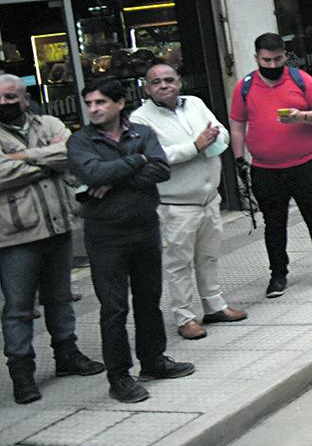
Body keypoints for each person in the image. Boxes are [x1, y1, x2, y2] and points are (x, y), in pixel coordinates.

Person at [68, 78, 194, 404]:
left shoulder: (142, 133)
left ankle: (153, 361)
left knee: (149, 299)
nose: (94, 109)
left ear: (119, 103)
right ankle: (120, 376)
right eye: (90, 104)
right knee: (114, 308)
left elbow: (161, 170)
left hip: (145, 228)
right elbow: (93, 174)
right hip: (105, 235)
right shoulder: (80, 141)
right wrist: (137, 161)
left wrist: (114, 177)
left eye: (101, 103)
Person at [0, 75, 105, 403]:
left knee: (59, 298)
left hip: (58, 228)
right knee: (18, 308)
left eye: (11, 96)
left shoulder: (48, 121)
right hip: (15, 235)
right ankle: (22, 373)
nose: (5, 103)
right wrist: (44, 162)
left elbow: (70, 152)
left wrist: (22, 159)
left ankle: (67, 356)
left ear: (25, 99)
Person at [130, 62, 247, 342]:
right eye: (156, 82)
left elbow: (219, 131)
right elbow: (155, 157)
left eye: (169, 79)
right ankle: (185, 317)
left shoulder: (194, 103)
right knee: (178, 263)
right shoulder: (140, 119)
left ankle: (214, 306)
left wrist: (214, 140)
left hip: (209, 199)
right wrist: (195, 146)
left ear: (179, 82)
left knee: (208, 256)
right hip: (175, 205)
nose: (163, 85)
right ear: (147, 88)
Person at [229, 32, 312, 298]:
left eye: (277, 59)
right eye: (266, 60)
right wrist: (239, 158)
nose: (272, 65)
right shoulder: (244, 87)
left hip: (305, 164)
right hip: (266, 169)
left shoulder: (301, 80)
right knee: (274, 223)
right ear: (256, 58)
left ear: (285, 56)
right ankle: (278, 275)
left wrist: (303, 116)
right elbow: (237, 124)